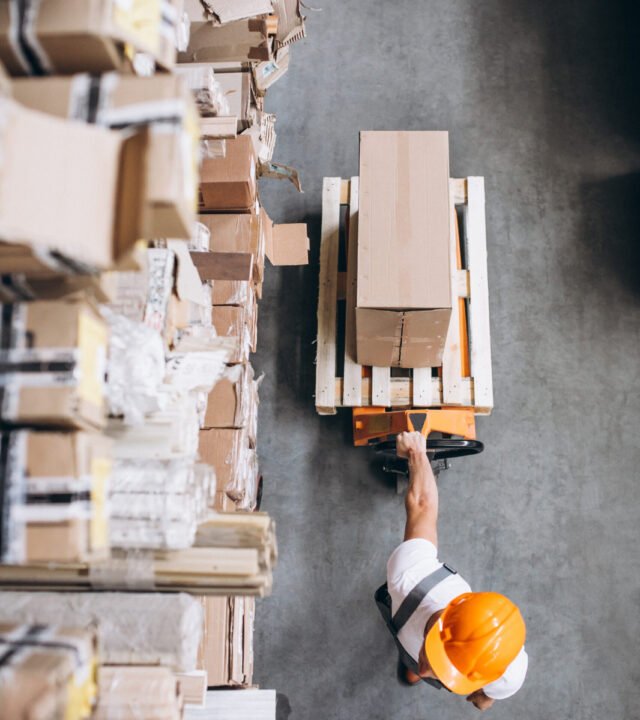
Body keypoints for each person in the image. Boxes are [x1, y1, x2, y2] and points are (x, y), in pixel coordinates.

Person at [375, 431, 528, 711]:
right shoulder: (409, 578)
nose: (427, 671)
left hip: (412, 630)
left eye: (443, 667)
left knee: (413, 668)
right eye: (433, 655)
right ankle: (408, 658)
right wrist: (417, 453)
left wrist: (486, 695)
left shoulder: (503, 661)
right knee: (412, 667)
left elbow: (493, 691)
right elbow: (422, 509)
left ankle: (409, 658)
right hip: (409, 615)